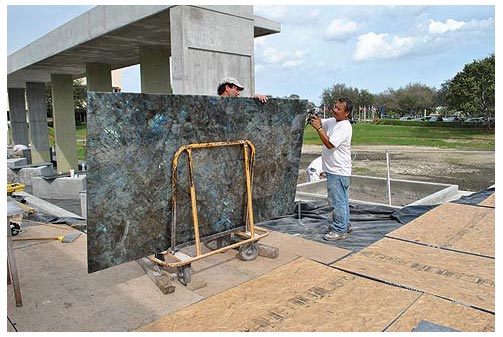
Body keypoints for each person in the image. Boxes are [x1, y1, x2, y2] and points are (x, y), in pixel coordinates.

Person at [309, 97, 353, 241]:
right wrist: (315, 118)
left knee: (337, 201)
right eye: (334, 107)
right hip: (335, 169)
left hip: (338, 170)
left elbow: (329, 144)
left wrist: (319, 129)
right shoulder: (334, 121)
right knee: (342, 200)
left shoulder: (344, 126)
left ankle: (339, 230)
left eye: (339, 109)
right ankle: (344, 224)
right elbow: (322, 122)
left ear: (347, 113)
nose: (334, 110)